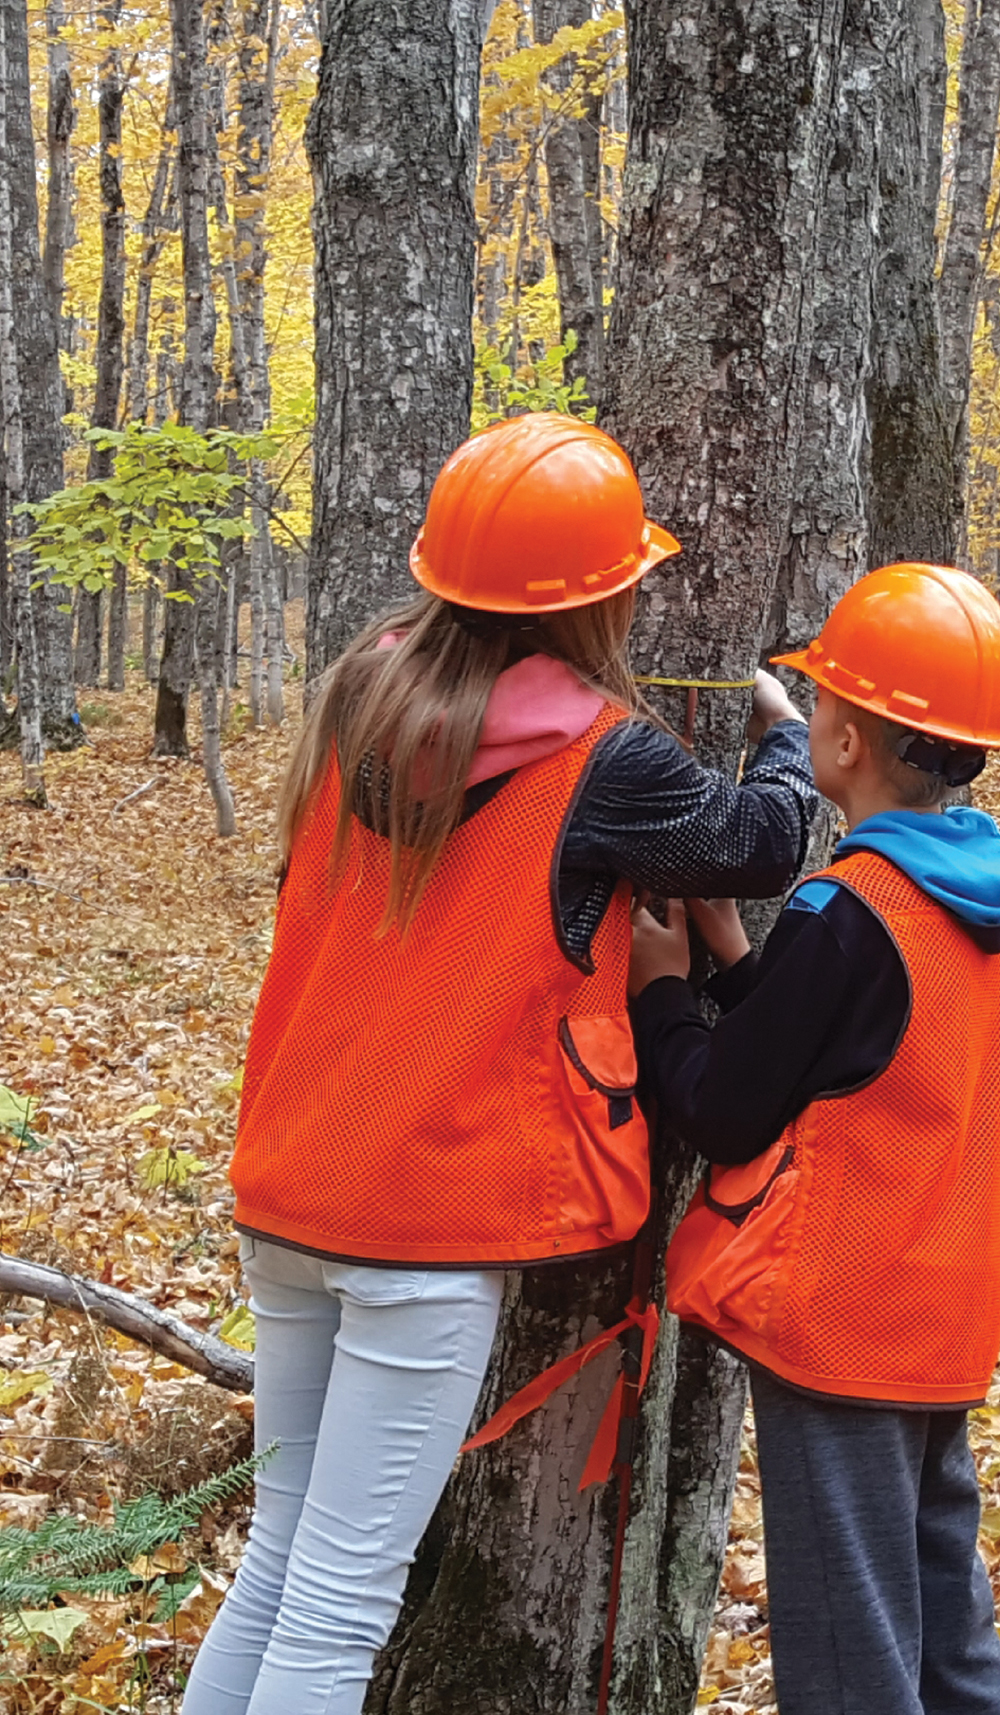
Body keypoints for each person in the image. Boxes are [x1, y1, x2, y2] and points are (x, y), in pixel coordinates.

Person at [187, 414, 817, 1715]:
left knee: (281, 1559)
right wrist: (789, 735)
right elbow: (760, 843)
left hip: (295, 1184)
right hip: (422, 1227)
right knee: (342, 1604)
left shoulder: (363, 689)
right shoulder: (607, 757)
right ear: (599, 598)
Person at [637, 563, 1000, 1715]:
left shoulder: (848, 909)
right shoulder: (979, 894)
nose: (804, 722)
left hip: (842, 1325)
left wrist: (666, 992)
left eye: (816, 709)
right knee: (947, 1628)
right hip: (937, 1320)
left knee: (852, 1654)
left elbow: (722, 1106)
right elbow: (867, 1057)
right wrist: (740, 952)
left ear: (845, 743)